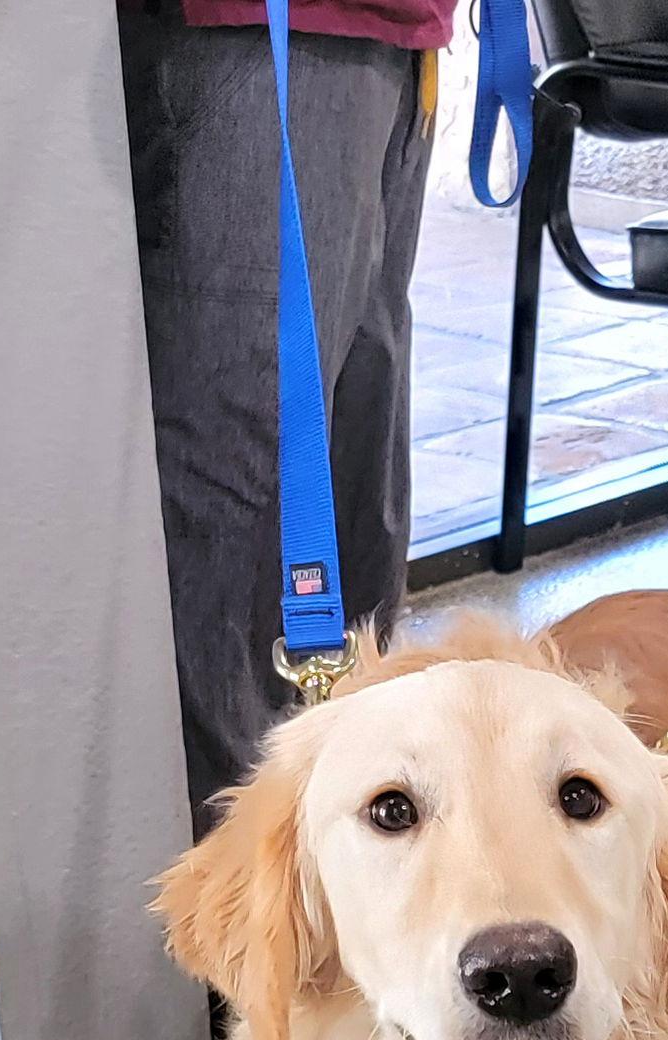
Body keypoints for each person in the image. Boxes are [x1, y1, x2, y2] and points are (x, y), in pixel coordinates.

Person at [118, 0, 454, 831]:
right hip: (262, 28)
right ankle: (231, 929)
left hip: (398, 36)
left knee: (353, 500)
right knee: (244, 518)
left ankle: (349, 887)